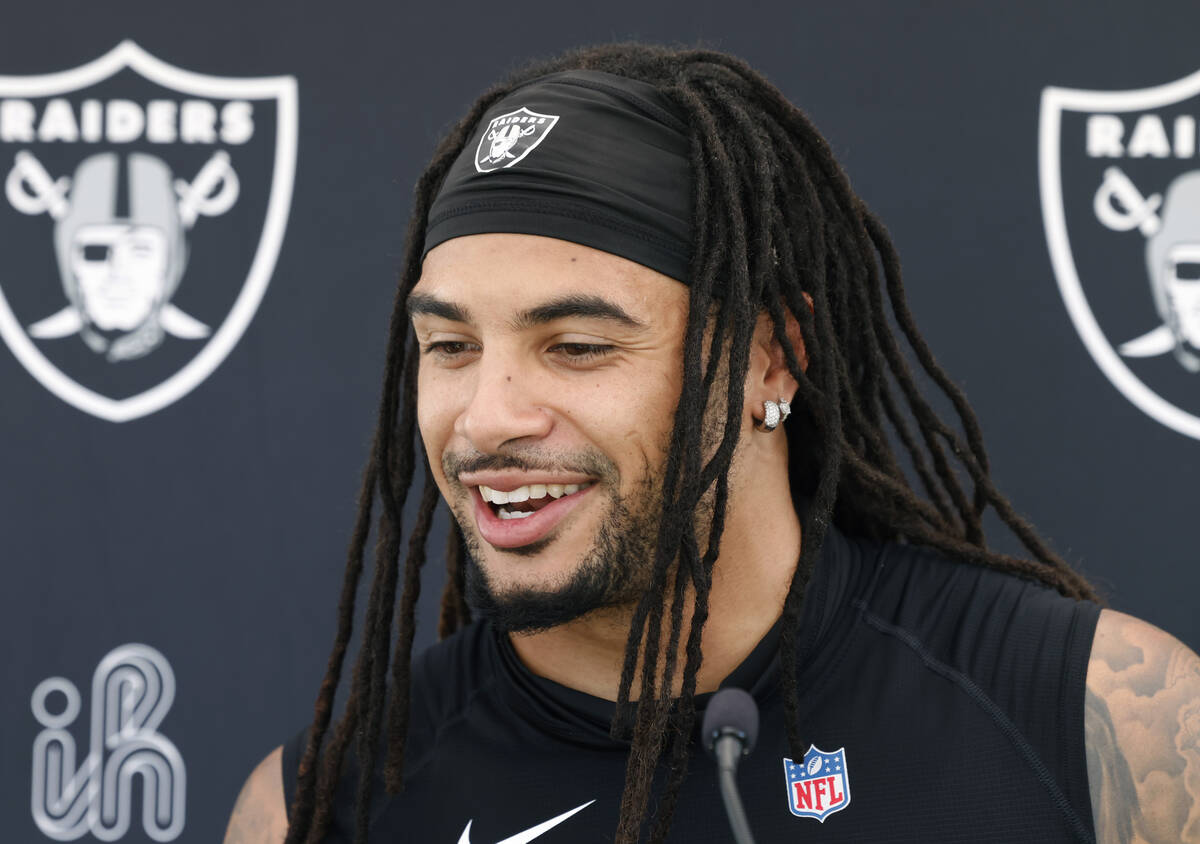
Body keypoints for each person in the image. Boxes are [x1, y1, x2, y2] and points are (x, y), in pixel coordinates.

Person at [224, 44, 1200, 843]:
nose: (486, 417)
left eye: (576, 346)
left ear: (771, 356)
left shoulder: (1109, 727)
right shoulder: (320, 808)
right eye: (450, 346)